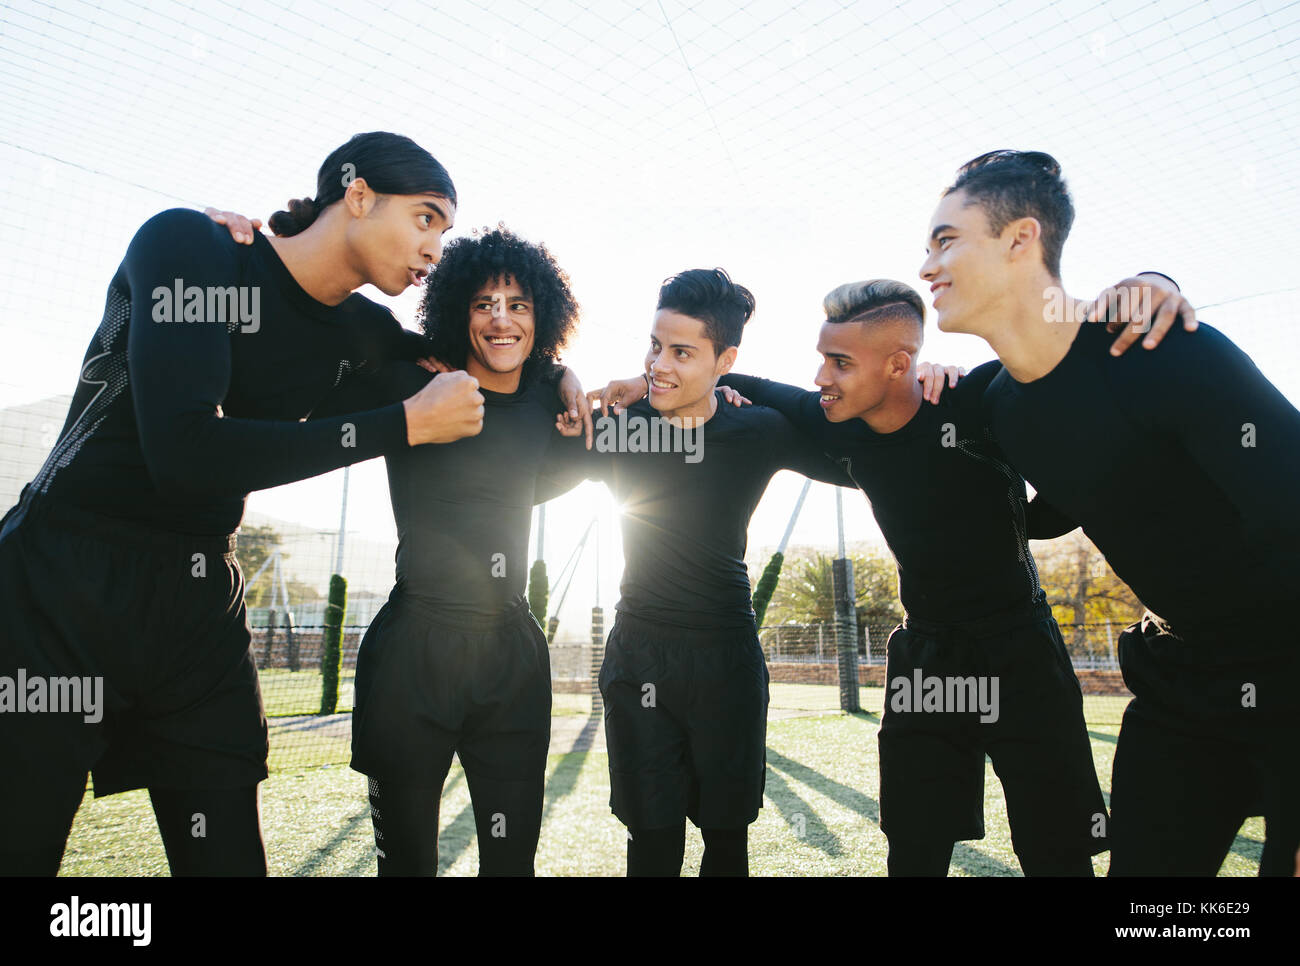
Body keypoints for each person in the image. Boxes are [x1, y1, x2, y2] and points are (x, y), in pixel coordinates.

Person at [0, 132, 487, 877]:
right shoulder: (193, 247)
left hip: (196, 606)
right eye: (426, 218)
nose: (434, 248)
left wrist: (585, 386)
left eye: (444, 232)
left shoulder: (362, 333)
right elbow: (186, 454)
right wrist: (403, 426)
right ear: (357, 195)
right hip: (57, 592)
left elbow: (485, 364)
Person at [921, 149, 1300, 876]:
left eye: (946, 240)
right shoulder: (993, 401)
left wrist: (1159, 281)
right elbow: (1081, 477)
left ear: (1021, 239)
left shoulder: (1164, 353)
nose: (928, 265)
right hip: (1182, 679)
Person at [540, 268, 855, 876]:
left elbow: (846, 433)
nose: (659, 364)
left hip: (726, 663)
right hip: (639, 660)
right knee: (651, 845)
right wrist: (566, 380)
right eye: (654, 347)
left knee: (726, 843)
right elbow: (529, 441)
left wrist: (925, 382)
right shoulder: (620, 428)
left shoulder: (759, 429)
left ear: (725, 359)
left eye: (682, 352)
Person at [344, 226, 586, 876]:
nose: (501, 320)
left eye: (518, 304)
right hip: (412, 655)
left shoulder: (549, 402)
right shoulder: (412, 383)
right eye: (483, 304)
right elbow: (324, 319)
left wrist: (565, 372)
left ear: (543, 317)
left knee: (511, 866)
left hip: (511, 660)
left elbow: (644, 416)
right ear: (458, 312)